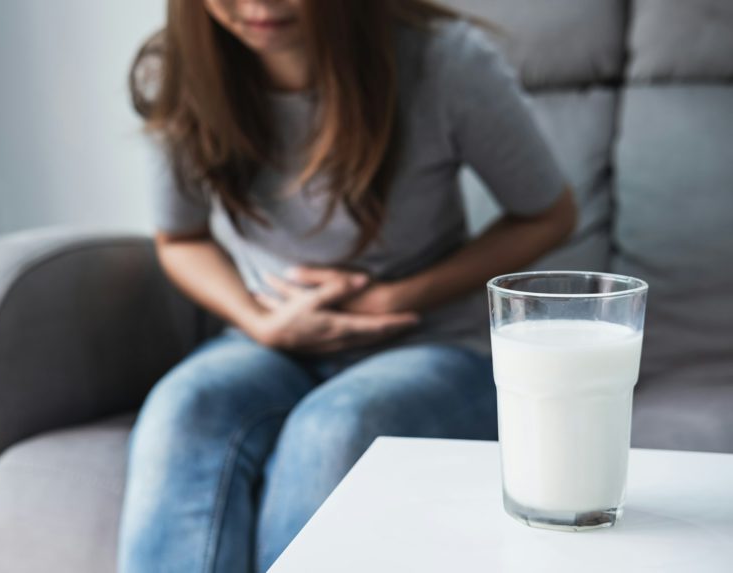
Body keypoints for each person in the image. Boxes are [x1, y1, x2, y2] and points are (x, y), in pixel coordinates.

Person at [118, 1, 576, 572]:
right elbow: (180, 239)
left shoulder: (445, 61)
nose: (258, 6)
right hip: (271, 338)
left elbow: (549, 215)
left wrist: (393, 298)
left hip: (433, 344)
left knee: (334, 427)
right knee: (184, 408)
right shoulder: (179, 72)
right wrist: (260, 319)